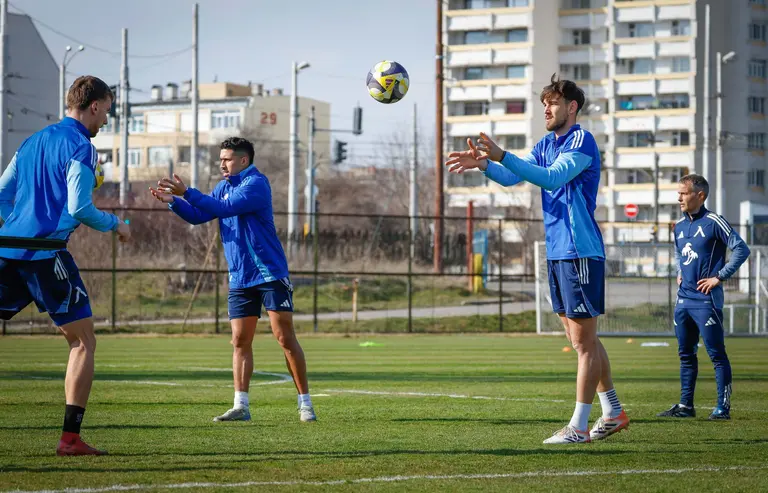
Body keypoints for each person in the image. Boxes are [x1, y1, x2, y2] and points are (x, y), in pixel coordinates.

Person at [445, 74, 628, 444]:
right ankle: (613, 411)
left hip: (579, 251)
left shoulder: (581, 140)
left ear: (572, 107)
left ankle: (579, 427)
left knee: (584, 343)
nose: (546, 109)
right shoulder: (546, 143)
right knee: (582, 340)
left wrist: (502, 155)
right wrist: (485, 165)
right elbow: (511, 176)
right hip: (558, 252)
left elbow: (551, 178)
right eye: (544, 103)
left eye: (553, 103)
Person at [0, 75, 131, 455]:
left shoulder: (32, 141)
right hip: (47, 256)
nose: (105, 120)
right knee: (83, 341)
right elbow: (80, 207)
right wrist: (117, 225)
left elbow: (2, 195)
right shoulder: (81, 146)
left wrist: (20, 226)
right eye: (107, 112)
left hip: (8, 250)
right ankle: (70, 440)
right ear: (94, 106)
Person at [149, 137, 316, 423]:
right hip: (240, 276)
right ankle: (241, 406)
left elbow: (226, 209)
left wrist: (187, 192)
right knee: (239, 340)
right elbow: (199, 215)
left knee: (284, 337)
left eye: (226, 159)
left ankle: (305, 404)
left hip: (269, 273)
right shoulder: (222, 187)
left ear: (243, 160)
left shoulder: (257, 184)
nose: (222, 164)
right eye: (221, 159)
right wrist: (174, 202)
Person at [657, 174, 749, 420]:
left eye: (684, 193)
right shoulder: (678, 226)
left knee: (716, 354)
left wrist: (719, 277)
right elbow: (679, 254)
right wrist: (679, 272)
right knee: (685, 355)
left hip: (706, 301)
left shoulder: (714, 222)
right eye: (678, 193)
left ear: (700, 195)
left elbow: (742, 249)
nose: (679, 198)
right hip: (683, 300)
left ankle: (722, 407)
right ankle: (686, 406)